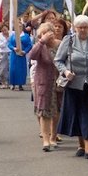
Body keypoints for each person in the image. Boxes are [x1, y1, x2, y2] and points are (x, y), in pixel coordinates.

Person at [55, 14, 88, 159]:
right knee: (76, 114)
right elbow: (58, 60)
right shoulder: (68, 40)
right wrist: (65, 72)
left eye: (85, 27)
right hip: (73, 84)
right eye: (80, 27)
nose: (83, 30)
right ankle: (81, 145)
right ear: (75, 28)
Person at [29, 22, 62, 152]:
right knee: (44, 111)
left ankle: (54, 136)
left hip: (59, 81)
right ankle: (46, 140)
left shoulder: (60, 44)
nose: (48, 35)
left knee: (57, 110)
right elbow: (32, 56)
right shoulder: (39, 46)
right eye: (44, 33)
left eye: (50, 32)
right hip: (43, 81)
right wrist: (42, 41)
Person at [7, 23, 33, 90]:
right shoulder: (13, 35)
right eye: (17, 27)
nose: (19, 28)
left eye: (20, 27)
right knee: (13, 69)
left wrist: (25, 51)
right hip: (14, 54)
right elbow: (9, 44)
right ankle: (13, 84)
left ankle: (20, 84)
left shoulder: (26, 36)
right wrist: (14, 48)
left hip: (22, 55)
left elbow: (29, 45)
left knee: (21, 70)